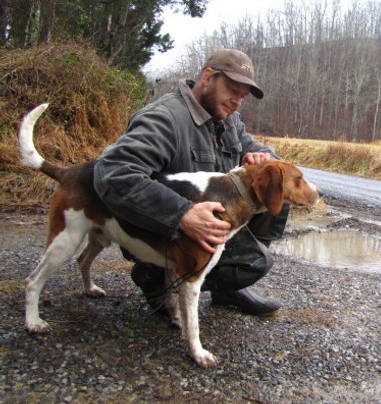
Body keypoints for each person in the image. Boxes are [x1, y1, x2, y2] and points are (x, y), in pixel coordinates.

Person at [93, 49, 286, 317]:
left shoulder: (228, 119)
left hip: (208, 222)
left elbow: (258, 149)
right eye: (233, 90)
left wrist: (265, 159)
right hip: (162, 231)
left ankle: (226, 287)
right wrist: (181, 214)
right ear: (208, 77)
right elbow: (114, 173)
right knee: (256, 262)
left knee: (277, 197)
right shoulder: (164, 119)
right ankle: (156, 277)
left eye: (242, 96)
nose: (237, 102)